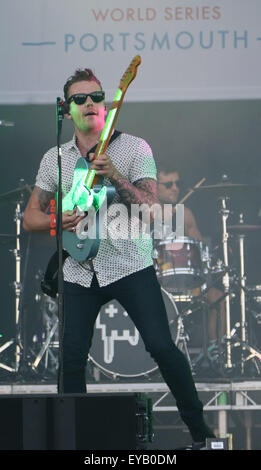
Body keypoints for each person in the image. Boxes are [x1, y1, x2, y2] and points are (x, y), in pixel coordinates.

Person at [23, 67, 215, 447]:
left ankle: (200, 431)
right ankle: (71, 442)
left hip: (129, 263)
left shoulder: (134, 148)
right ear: (67, 109)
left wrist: (114, 176)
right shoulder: (55, 158)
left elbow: (151, 206)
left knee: (161, 346)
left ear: (107, 103)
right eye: (80, 99)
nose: (91, 103)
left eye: (97, 97)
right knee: (73, 356)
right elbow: (29, 216)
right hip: (79, 267)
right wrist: (55, 219)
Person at [157, 168, 226, 346]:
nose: (175, 188)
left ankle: (215, 352)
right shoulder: (140, 212)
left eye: (178, 183)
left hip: (185, 281)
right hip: (154, 282)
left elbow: (200, 249)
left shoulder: (184, 214)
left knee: (219, 298)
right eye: (168, 184)